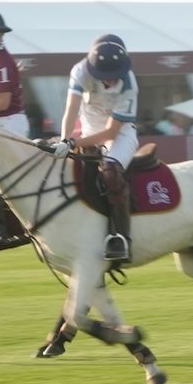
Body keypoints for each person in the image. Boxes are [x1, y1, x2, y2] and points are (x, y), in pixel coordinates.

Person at [54, 34, 140, 263]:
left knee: (110, 172)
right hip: (87, 132)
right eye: (105, 76)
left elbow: (111, 133)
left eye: (115, 75)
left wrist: (73, 143)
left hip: (120, 134)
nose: (110, 80)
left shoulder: (129, 84)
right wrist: (64, 140)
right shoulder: (80, 71)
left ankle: (120, 237)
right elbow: (71, 111)